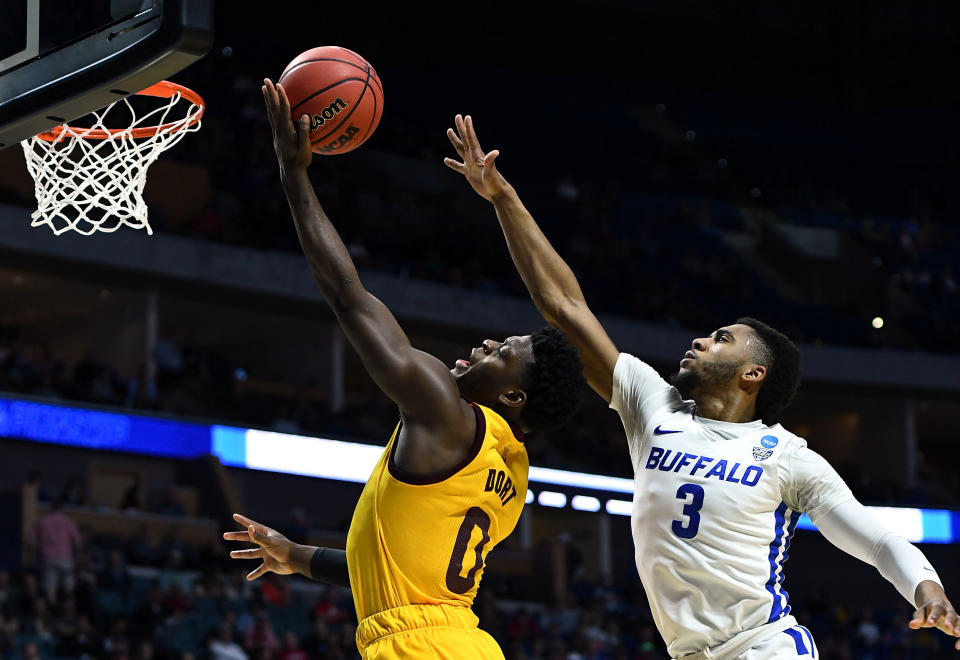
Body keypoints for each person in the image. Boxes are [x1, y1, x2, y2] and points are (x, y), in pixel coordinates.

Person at [443, 114, 960, 658]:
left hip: (764, 646)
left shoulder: (786, 456)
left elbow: (874, 538)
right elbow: (565, 307)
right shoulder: (653, 405)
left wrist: (927, 588)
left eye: (722, 338)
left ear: (753, 374)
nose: (701, 340)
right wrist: (503, 199)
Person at [223, 80, 585, 660]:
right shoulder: (510, 475)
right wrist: (296, 557)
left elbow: (349, 295)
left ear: (514, 396)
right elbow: (402, 576)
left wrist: (294, 175)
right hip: (452, 640)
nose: (488, 344)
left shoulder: (448, 412)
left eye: (502, 353)